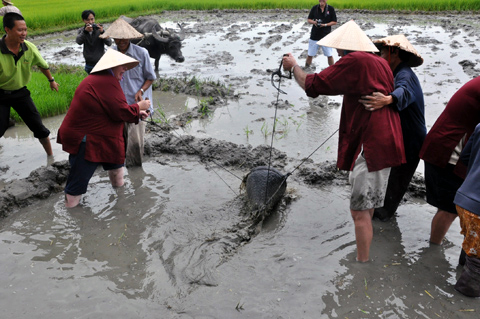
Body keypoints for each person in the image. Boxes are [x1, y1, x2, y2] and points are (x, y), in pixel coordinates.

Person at [282, 20, 405, 262]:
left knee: (358, 211)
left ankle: (361, 270)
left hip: (374, 144)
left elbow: (312, 84)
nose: (337, 52)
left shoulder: (355, 61)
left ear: (348, 47)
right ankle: (364, 258)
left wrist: (294, 66)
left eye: (339, 48)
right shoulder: (379, 62)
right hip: (385, 140)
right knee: (367, 206)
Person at [56, 49, 151, 208]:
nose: (125, 69)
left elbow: (114, 109)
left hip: (103, 136)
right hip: (87, 139)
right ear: (112, 66)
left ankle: (121, 200)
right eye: (123, 66)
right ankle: (71, 213)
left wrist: (135, 113)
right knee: (77, 184)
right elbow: (120, 111)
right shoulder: (105, 82)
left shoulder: (103, 80)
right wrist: (139, 106)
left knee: (117, 169)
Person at [359, 34, 426, 222]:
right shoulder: (392, 73)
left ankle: (383, 228)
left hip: (411, 141)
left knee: (395, 187)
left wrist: (388, 99)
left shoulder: (405, 74)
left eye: (381, 54)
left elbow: (403, 91)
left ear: (393, 53)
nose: (379, 58)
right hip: (398, 137)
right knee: (387, 182)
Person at [419, 76, 480, 245]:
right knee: (449, 209)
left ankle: (437, 239)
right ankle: (433, 247)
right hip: (449, 152)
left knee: (448, 207)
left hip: (444, 146)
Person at [100, 18, 156, 167]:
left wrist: (141, 90)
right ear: (113, 38)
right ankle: (122, 173)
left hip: (137, 106)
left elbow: (151, 78)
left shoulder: (141, 53)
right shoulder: (110, 54)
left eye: (124, 37)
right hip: (118, 107)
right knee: (120, 142)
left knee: (136, 142)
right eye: (117, 38)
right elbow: (105, 79)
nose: (121, 40)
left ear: (130, 37)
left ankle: (136, 175)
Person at [0, 12, 59, 156]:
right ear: (7, 30)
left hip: (20, 93)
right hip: (0, 94)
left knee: (38, 126)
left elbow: (42, 65)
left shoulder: (29, 47)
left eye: (25, 29)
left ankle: (51, 157)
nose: (24, 33)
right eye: (20, 30)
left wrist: (51, 80)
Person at [453, 123, 480, 297]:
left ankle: (461, 269)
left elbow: (465, 157)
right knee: (478, 264)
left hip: (465, 199)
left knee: (471, 244)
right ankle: (461, 299)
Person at [76, 9, 112, 74]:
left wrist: (103, 32)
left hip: (101, 63)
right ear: (83, 20)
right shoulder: (82, 31)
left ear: (94, 19)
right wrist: (85, 32)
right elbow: (78, 41)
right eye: (87, 20)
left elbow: (109, 43)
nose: (90, 22)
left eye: (92, 19)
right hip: (89, 64)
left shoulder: (99, 29)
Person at [306, 0, 337, 68]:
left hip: (326, 36)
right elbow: (309, 19)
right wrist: (315, 22)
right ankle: (306, 68)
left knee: (329, 54)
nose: (322, 1)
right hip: (315, 35)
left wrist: (325, 25)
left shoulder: (330, 9)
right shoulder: (315, 8)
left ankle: (333, 69)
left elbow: (334, 22)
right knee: (310, 54)